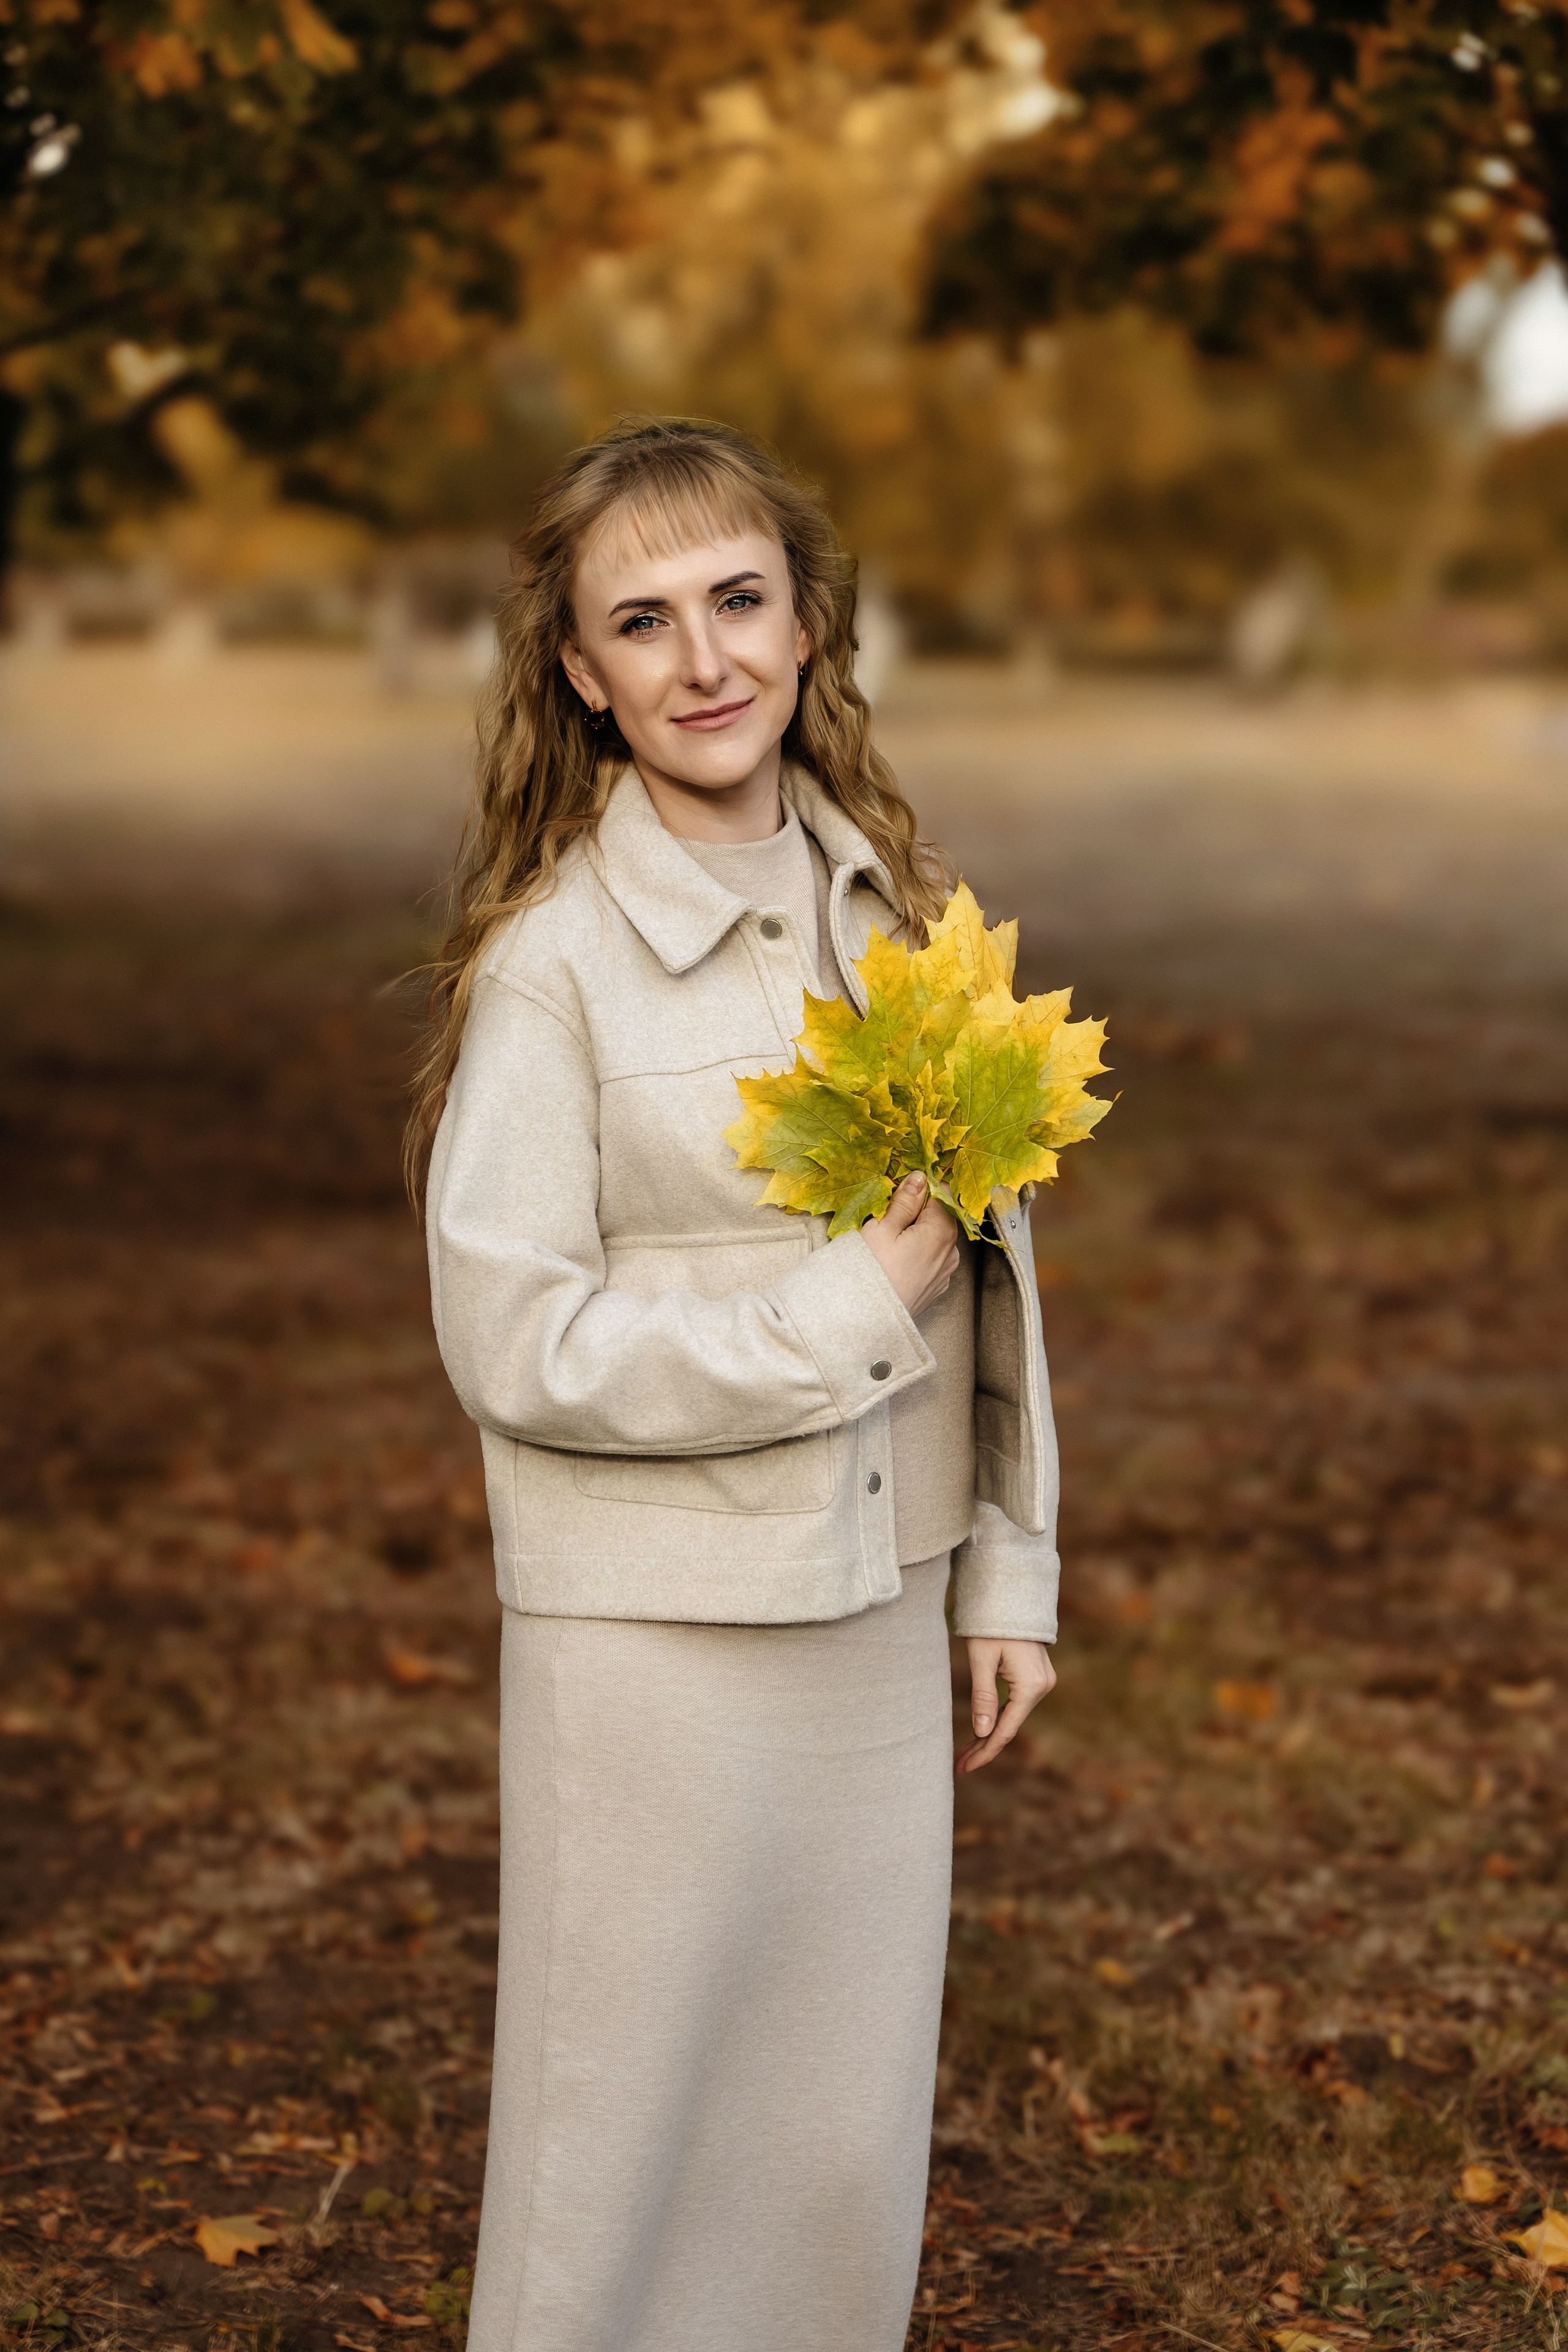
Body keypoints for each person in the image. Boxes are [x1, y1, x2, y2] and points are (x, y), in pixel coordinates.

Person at [408, 417, 1062, 2352]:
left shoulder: (900, 924)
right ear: (582, 678)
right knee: (619, 2140)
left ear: (804, 623)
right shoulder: (557, 971)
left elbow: (1002, 1279)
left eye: (739, 600)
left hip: (872, 1621)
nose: (705, 660)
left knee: (834, 2145)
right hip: (655, 1645)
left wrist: (1002, 1570)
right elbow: (513, 1340)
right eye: (644, 621)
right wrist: (828, 1317)